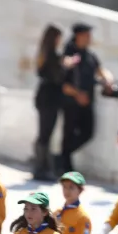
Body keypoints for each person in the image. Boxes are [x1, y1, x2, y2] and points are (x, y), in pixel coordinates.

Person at [60, 23, 114, 174]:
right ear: (78, 36)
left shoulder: (89, 56)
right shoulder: (69, 54)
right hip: (71, 101)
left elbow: (100, 70)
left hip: (88, 101)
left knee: (88, 133)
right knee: (68, 133)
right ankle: (65, 164)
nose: (89, 38)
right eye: (87, 35)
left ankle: (62, 157)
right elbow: (63, 82)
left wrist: (108, 79)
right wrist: (77, 94)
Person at [33, 24, 78, 181]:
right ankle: (41, 168)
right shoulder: (52, 56)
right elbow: (57, 77)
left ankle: (42, 167)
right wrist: (65, 66)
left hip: (44, 97)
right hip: (49, 99)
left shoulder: (45, 54)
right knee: (45, 134)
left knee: (44, 134)